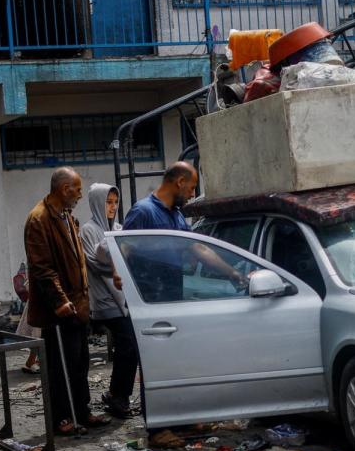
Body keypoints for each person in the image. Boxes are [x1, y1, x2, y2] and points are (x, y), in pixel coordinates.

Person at [24, 167, 111, 435]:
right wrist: (60, 301)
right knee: (59, 367)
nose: (80, 195)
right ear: (64, 189)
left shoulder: (65, 216)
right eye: (77, 190)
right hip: (58, 310)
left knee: (79, 363)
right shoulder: (39, 220)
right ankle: (62, 417)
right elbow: (43, 269)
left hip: (78, 305)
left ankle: (81, 411)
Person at [121, 162, 247, 302]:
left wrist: (233, 273)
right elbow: (124, 247)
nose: (193, 195)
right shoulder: (143, 211)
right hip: (148, 301)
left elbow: (198, 248)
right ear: (180, 182)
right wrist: (117, 273)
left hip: (172, 299)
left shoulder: (177, 215)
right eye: (192, 188)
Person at [80, 183, 139, 419]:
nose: (113, 207)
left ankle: (117, 395)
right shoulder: (88, 230)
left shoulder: (117, 228)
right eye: (108, 202)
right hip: (103, 298)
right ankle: (117, 397)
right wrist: (114, 256)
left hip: (123, 298)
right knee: (128, 344)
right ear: (97, 203)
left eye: (115, 202)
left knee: (129, 346)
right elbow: (95, 263)